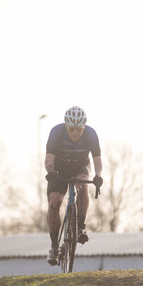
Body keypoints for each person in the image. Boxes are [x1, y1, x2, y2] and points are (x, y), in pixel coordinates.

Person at [45, 106, 103, 266]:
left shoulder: (91, 134)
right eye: (72, 130)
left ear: (84, 126)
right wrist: (50, 172)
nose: (76, 133)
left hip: (80, 166)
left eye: (79, 130)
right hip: (59, 169)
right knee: (54, 202)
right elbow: (49, 159)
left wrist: (98, 175)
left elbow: (97, 159)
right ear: (66, 126)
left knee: (83, 184)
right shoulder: (56, 132)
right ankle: (54, 246)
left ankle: (80, 226)